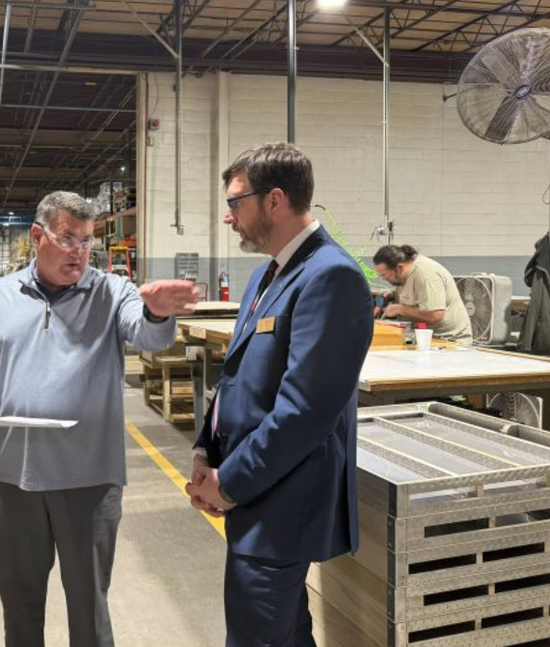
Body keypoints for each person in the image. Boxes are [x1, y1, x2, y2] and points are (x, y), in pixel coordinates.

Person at [0, 190, 200, 647]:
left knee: (89, 609)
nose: (80, 252)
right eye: (68, 238)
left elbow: (145, 334)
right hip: (14, 481)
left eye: (88, 241)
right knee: (20, 604)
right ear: (37, 235)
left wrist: (158, 311)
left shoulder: (113, 293)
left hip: (89, 482)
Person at [185, 143, 374, 647]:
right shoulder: (266, 275)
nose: (229, 218)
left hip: (283, 502)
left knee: (256, 636)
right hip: (252, 488)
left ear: (274, 200)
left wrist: (229, 483)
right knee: (285, 633)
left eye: (235, 203)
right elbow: (237, 377)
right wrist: (207, 449)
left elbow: (304, 413)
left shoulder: (331, 276)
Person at [373, 244, 473, 344]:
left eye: (384, 275)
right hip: (427, 339)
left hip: (450, 341)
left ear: (399, 268)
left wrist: (399, 309)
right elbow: (414, 293)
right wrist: (392, 294)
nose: (383, 279)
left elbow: (434, 315)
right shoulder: (403, 274)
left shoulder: (426, 275)